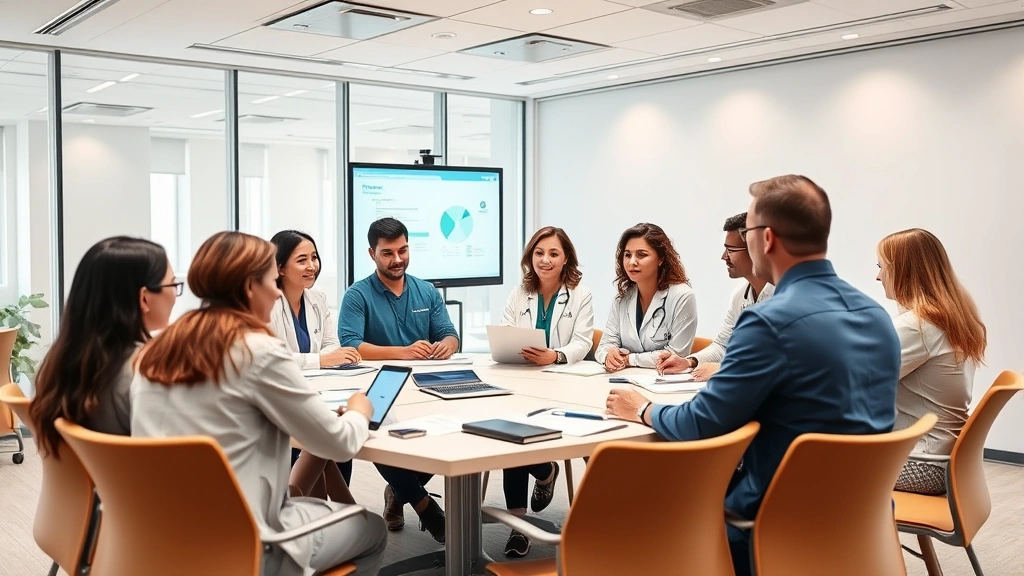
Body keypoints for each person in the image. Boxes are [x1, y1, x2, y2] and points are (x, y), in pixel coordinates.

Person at [605, 175, 901, 576]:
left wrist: (643, 409)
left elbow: (701, 423)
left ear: (766, 239)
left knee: (640, 515)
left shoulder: (769, 322)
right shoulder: (875, 315)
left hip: (776, 517)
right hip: (862, 513)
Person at [132, 231, 387, 576]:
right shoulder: (257, 350)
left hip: (161, 537)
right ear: (251, 288)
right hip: (245, 545)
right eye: (271, 279)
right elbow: (340, 444)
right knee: (372, 528)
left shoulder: (158, 347)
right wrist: (360, 411)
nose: (277, 290)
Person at [339, 217, 456, 542]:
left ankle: (399, 491)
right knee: (379, 440)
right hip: (379, 388)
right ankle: (425, 507)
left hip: (427, 384)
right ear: (371, 253)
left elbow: (448, 333)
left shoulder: (426, 291)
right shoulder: (357, 295)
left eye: (403, 250)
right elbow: (350, 344)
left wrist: (446, 345)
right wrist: (402, 352)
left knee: (443, 435)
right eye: (388, 253)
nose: (398, 259)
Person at [29, 237, 178, 456]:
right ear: (144, 298)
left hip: (91, 490)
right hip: (133, 488)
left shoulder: (58, 364)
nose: (175, 295)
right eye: (173, 284)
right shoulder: (143, 372)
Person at [498, 226, 594, 557]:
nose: (545, 260)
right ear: (530, 257)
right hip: (522, 381)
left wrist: (556, 355)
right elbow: (507, 332)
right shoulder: (519, 293)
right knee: (511, 437)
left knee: (525, 436)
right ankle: (519, 525)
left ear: (566, 257)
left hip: (562, 384)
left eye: (553, 253)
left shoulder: (580, 294)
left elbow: (583, 342)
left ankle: (545, 471)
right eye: (539, 253)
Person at [877, 228, 987, 496]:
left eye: (882, 267)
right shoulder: (951, 318)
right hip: (943, 461)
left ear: (902, 270)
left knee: (804, 462)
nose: (878, 276)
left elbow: (857, 381)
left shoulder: (918, 327)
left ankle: (852, 537)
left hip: (921, 465)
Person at [268, 230, 360, 502]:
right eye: (302, 260)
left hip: (321, 389)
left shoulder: (317, 298)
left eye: (315, 258)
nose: (312, 266)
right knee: (331, 435)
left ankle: (328, 508)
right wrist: (322, 359)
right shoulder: (268, 302)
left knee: (333, 431)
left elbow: (331, 342)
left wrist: (335, 356)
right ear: (280, 267)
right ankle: (331, 510)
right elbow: (274, 358)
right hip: (290, 395)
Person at [657, 213, 774, 380]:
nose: (724, 257)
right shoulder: (740, 296)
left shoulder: (787, 296)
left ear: (756, 250)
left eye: (731, 250)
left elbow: (785, 360)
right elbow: (722, 346)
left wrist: (724, 369)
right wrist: (689, 361)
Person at [594, 222, 697, 373]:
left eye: (641, 255)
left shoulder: (682, 296)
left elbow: (676, 354)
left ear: (661, 259)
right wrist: (609, 355)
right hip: (624, 379)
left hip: (664, 383)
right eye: (627, 255)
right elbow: (603, 347)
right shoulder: (622, 298)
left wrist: (629, 359)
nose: (632, 262)